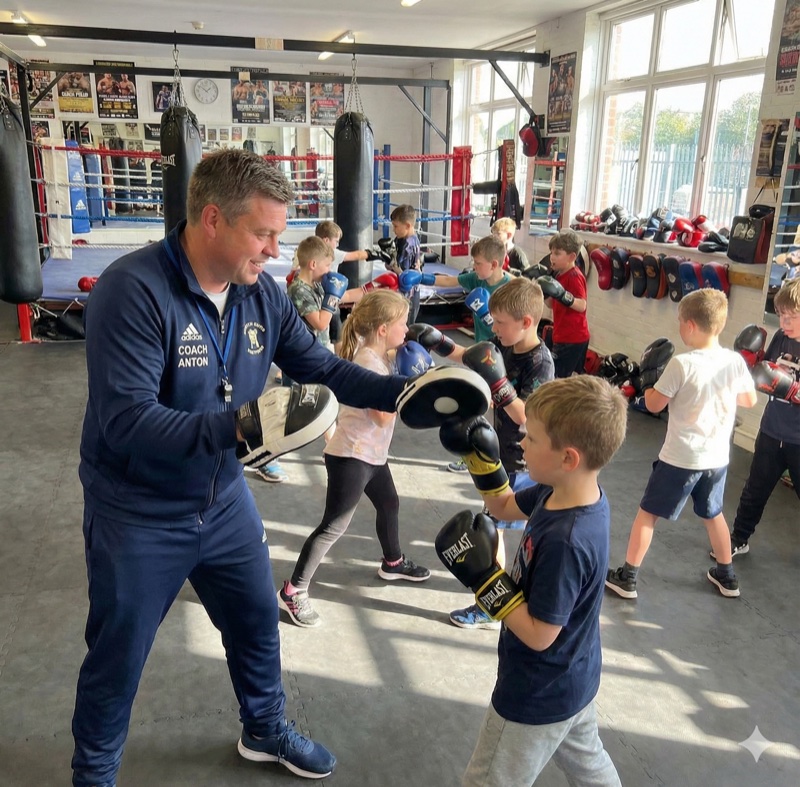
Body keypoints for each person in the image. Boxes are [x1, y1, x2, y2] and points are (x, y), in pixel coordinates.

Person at [71, 148, 422, 786]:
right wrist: (239, 428)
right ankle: (93, 776)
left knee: (258, 621)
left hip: (224, 499)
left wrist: (402, 393)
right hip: (139, 512)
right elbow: (126, 422)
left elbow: (320, 367)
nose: (274, 251)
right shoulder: (134, 291)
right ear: (212, 219)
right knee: (118, 656)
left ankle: (263, 728)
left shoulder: (258, 294)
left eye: (278, 236)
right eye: (262, 234)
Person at [434, 376, 627, 786]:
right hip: (576, 676)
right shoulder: (561, 491)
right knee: (589, 765)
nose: (521, 442)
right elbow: (500, 504)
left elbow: (541, 635)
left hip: (537, 687)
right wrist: (481, 459)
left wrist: (486, 581)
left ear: (568, 457)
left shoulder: (567, 541)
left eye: (532, 438)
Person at [278, 290, 432, 627]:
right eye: (402, 325)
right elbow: (381, 417)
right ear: (382, 330)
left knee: (389, 503)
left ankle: (392, 562)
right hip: (351, 456)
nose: (407, 331)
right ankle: (294, 590)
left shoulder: (386, 358)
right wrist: (410, 388)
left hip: (371, 454)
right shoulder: (368, 363)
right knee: (334, 525)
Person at [411, 277, 555, 628]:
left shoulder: (541, 362)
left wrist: (499, 385)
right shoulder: (505, 344)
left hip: (523, 461)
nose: (496, 329)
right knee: (497, 527)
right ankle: (501, 597)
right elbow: (473, 355)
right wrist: (438, 341)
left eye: (501, 324)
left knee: (493, 529)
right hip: (500, 454)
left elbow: (528, 418)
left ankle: (493, 605)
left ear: (526, 322)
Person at [606, 289, 758, 601]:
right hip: (716, 458)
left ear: (690, 325)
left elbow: (653, 405)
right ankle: (726, 575)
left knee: (647, 514)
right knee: (713, 514)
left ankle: (628, 576)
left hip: (680, 457)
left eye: (679, 321)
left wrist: (646, 381)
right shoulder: (734, 361)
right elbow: (749, 399)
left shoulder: (682, 364)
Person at [725, 279, 800, 555]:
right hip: (771, 429)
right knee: (754, 489)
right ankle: (739, 538)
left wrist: (795, 391)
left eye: (791, 317)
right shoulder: (781, 337)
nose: (784, 322)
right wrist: (749, 363)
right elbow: (765, 374)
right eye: (781, 315)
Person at [434, 235, 513, 472]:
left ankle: (501, 456)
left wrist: (488, 317)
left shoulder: (510, 288)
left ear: (495, 264)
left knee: (501, 406)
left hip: (500, 355)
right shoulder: (477, 279)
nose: (474, 266)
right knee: (473, 399)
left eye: (478, 263)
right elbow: (450, 280)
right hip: (479, 350)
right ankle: (470, 452)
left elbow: (514, 327)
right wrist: (420, 277)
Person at [541, 228, 590, 378]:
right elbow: (552, 305)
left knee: (558, 378)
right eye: (551, 252)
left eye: (557, 253)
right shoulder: (558, 275)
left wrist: (563, 295)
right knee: (567, 377)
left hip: (573, 338)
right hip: (562, 335)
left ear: (572, 256)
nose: (552, 257)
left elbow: (582, 305)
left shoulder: (574, 276)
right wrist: (543, 292)